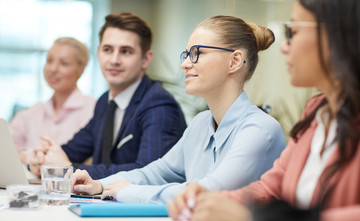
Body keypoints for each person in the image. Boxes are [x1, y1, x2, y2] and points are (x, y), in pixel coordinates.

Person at [169, 0, 360, 221]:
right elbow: (271, 187)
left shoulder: (260, 127)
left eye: (293, 31)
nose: (283, 47)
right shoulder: (316, 114)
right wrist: (210, 201)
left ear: (336, 34)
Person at [70, 15, 286, 204]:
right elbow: (157, 172)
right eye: (186, 54)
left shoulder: (260, 129)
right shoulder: (201, 123)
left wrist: (127, 191)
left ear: (235, 61)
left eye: (197, 53)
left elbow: (209, 193)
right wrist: (99, 184)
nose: (185, 64)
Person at [29, 12, 187, 179]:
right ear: (98, 53)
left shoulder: (159, 104)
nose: (114, 60)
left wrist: (67, 169)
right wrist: (44, 158)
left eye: (126, 51)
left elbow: (147, 173)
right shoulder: (105, 101)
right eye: (107, 50)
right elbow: (73, 150)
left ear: (145, 59)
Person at [9, 37, 95, 165]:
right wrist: (32, 159)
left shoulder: (94, 110)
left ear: (81, 70)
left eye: (64, 63)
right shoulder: (31, 113)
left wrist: (29, 158)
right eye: (49, 61)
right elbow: (6, 151)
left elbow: (92, 161)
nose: (53, 69)